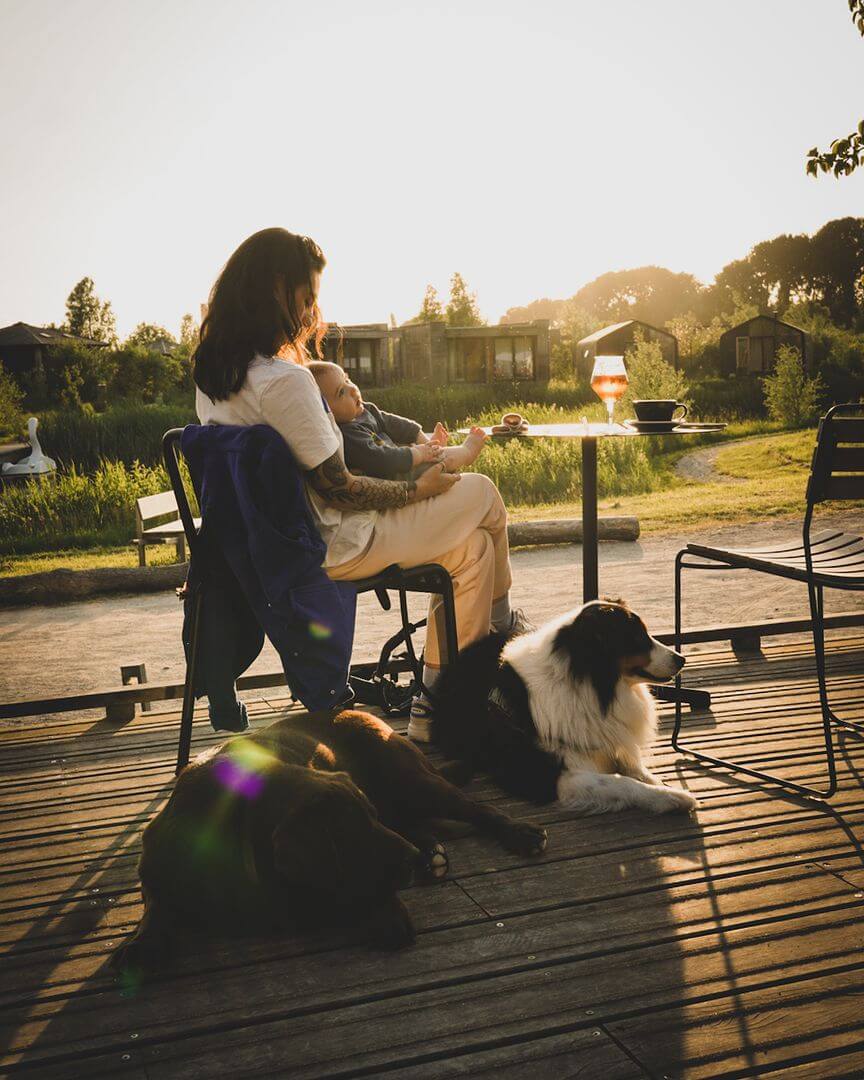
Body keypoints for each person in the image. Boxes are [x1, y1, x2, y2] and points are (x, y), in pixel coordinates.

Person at [193, 227, 530, 741]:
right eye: (307, 299)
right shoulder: (287, 381)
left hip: (270, 551)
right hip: (334, 544)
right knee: (481, 492)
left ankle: (433, 709)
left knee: (475, 549)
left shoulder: (216, 380)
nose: (310, 315)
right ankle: (504, 626)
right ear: (276, 289)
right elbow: (341, 488)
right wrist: (421, 490)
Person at [308, 360, 488, 479]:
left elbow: (396, 424)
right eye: (341, 392)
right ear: (326, 411)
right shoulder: (349, 435)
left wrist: (423, 441)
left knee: (434, 455)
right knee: (441, 460)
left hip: (403, 460)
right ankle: (467, 452)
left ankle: (436, 449)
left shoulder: (366, 410)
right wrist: (419, 454)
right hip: (394, 475)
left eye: (348, 380)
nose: (353, 389)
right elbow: (381, 459)